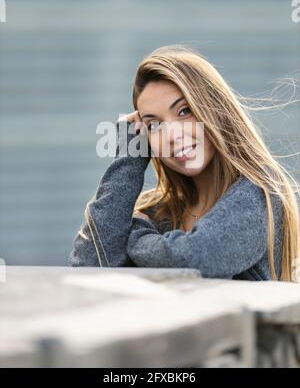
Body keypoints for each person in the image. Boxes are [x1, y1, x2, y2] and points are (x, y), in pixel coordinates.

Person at [68, 45, 300, 281]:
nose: (171, 134)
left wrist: (135, 236)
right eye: (154, 125)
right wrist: (129, 155)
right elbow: (90, 263)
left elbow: (196, 257)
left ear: (216, 110)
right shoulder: (157, 211)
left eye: (184, 111)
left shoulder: (259, 194)